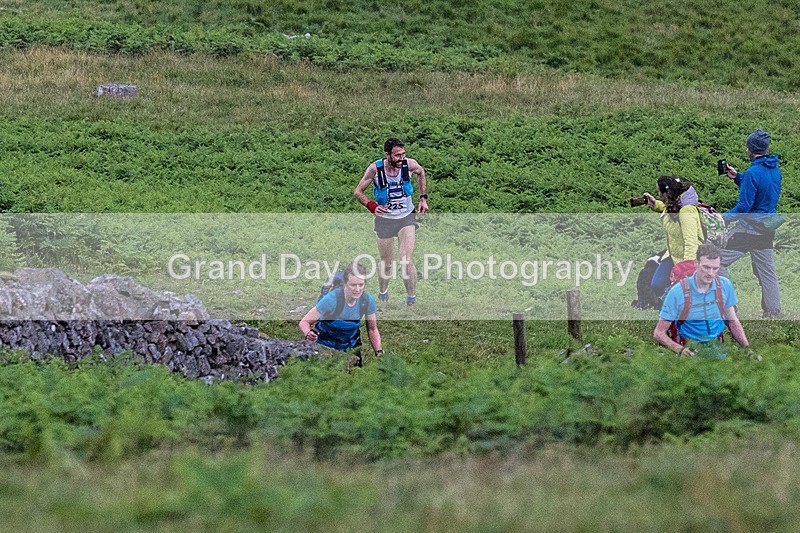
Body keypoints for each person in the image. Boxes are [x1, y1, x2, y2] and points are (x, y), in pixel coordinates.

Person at [354, 138, 428, 307]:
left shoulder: (409, 164)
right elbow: (358, 192)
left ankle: (411, 300)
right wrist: (371, 206)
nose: (401, 158)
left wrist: (423, 198)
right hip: (385, 220)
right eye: (397, 155)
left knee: (406, 260)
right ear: (387, 155)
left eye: (403, 154)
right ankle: (383, 294)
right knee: (387, 263)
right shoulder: (375, 169)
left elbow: (421, 172)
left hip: (406, 217)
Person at [721, 129, 782, 318]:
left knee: (716, 262)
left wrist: (723, 218)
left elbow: (744, 207)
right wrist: (739, 178)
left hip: (748, 230)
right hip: (767, 228)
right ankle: (773, 311)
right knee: (767, 270)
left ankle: (730, 306)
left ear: (751, 149)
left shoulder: (752, 172)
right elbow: (762, 194)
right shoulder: (774, 170)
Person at [653, 243, 753, 358]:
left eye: (715, 268)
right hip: (689, 349)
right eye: (706, 267)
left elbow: (732, 321)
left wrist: (747, 349)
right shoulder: (677, 292)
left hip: (718, 348)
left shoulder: (724, 285)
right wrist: (680, 350)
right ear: (696, 264)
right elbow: (658, 333)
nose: (710, 273)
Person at [299, 262, 383, 366]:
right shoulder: (331, 299)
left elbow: (372, 329)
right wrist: (308, 334)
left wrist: (379, 352)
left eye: (361, 285)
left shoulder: (366, 300)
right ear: (345, 283)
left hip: (351, 349)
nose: (357, 289)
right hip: (324, 348)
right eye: (353, 285)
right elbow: (304, 322)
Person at [642, 176, 703, 301]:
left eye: (659, 192)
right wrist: (654, 204)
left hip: (689, 258)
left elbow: (691, 242)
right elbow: (669, 209)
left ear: (665, 193)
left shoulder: (687, 211)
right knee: (657, 285)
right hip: (673, 254)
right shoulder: (675, 203)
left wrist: (687, 268)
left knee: (685, 289)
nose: (658, 195)